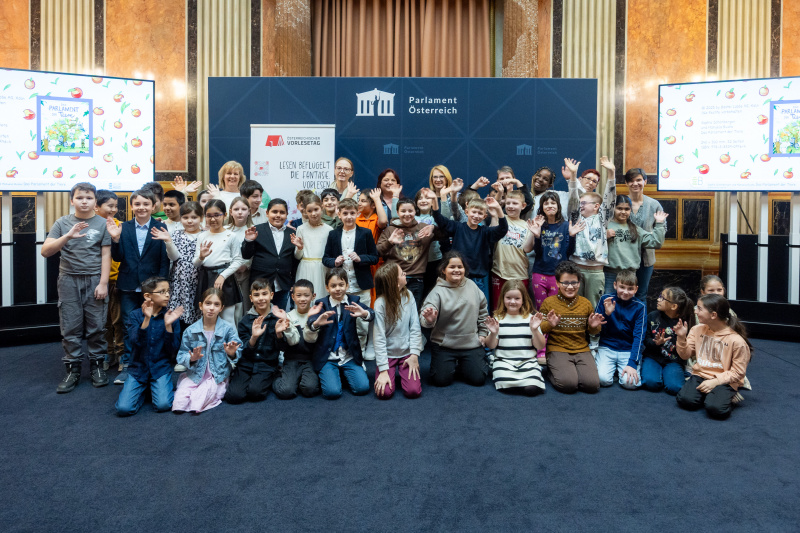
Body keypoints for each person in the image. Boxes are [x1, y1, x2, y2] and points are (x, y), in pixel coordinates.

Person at [42, 182, 112, 393]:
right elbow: (46, 251)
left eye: (89, 198)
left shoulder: (102, 223)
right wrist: (67, 236)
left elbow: (106, 254)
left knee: (97, 326)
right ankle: (72, 370)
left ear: (95, 201)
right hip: (68, 279)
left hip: (94, 279)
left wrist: (103, 283)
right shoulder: (62, 223)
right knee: (70, 327)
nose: (84, 201)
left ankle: (98, 367)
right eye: (80, 197)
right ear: (72, 200)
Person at [106, 188, 170, 385]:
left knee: (153, 323)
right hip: (127, 286)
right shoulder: (123, 227)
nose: (141, 207)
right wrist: (115, 240)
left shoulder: (161, 227)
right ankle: (128, 365)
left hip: (152, 287)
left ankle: (153, 362)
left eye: (146, 204)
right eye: (137, 204)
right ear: (132, 206)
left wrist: (162, 286)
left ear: (153, 206)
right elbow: (118, 257)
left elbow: (164, 260)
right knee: (128, 325)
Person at [675, 294, 752, 419]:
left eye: (699, 309)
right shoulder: (696, 329)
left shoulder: (737, 341)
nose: (695, 311)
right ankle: (711, 394)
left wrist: (715, 382)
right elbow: (685, 355)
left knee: (716, 409)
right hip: (701, 374)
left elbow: (738, 373)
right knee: (685, 401)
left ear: (713, 315)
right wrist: (681, 337)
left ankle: (729, 395)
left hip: (725, 379)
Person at [419, 252, 489, 387]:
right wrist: (429, 320)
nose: (456, 270)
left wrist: (483, 334)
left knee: (478, 379)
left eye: (460, 267)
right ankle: (453, 364)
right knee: (440, 381)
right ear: (443, 270)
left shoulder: (472, 286)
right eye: (452, 267)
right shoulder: (437, 292)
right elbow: (424, 321)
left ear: (464, 269)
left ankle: (464, 365)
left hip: (470, 344)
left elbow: (483, 311)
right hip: (445, 346)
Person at [115, 277, 183, 416]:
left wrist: (168, 325)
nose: (167, 295)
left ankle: (150, 388)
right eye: (162, 291)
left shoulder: (170, 316)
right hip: (138, 369)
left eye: (168, 291)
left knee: (163, 405)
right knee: (124, 409)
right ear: (147, 296)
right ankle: (145, 388)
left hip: (160, 369)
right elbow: (135, 342)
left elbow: (173, 350)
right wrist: (146, 319)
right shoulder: (134, 315)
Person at [304, 268, 374, 399]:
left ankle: (343, 373)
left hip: (349, 356)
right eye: (333, 286)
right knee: (332, 393)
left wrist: (364, 313)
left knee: (362, 388)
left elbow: (371, 314)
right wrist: (316, 323)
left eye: (341, 285)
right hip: (328, 357)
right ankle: (333, 374)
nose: (338, 289)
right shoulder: (322, 303)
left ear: (347, 285)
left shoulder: (354, 300)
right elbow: (312, 321)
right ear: (327, 287)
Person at [151, 201, 205, 370]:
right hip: (179, 283)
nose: (190, 221)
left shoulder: (205, 235)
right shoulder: (175, 234)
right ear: (181, 218)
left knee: (196, 319)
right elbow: (174, 258)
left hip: (198, 282)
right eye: (186, 217)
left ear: (201, 218)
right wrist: (168, 241)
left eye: (194, 217)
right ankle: (178, 355)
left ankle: (195, 354)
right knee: (178, 319)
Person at [539, 261, 606, 394]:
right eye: (565, 283)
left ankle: (571, 372)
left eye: (574, 282)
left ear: (579, 283)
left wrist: (593, 327)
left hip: (581, 348)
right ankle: (554, 372)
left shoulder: (585, 303)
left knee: (592, 386)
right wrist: (550, 324)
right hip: (558, 349)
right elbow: (540, 329)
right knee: (568, 385)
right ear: (558, 283)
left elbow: (593, 330)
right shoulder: (548, 303)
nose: (570, 287)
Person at [322, 198, 379, 352]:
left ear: (357, 213)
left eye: (352, 213)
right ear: (339, 214)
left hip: (361, 286)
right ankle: (340, 352)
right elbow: (325, 258)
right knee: (341, 321)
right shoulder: (333, 234)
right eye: (345, 213)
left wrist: (361, 258)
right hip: (340, 287)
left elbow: (374, 257)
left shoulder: (365, 233)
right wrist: (334, 261)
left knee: (361, 324)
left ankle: (358, 356)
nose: (348, 216)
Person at [173, 288, 242, 413]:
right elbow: (181, 355)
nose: (211, 308)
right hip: (195, 374)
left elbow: (239, 349)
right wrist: (191, 359)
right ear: (201, 305)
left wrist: (232, 353)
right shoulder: (190, 331)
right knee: (179, 402)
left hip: (217, 375)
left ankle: (212, 391)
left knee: (197, 402)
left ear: (221, 308)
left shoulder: (228, 329)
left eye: (216, 305)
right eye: (208, 303)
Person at [430, 190, 508, 299]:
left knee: (478, 309)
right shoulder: (458, 227)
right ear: (467, 212)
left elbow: (503, 229)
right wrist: (434, 200)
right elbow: (440, 219)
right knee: (458, 308)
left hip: (478, 279)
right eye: (474, 212)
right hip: (459, 277)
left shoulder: (485, 232)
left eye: (480, 213)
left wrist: (498, 209)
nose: (476, 215)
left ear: (485, 216)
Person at [564, 156, 617, 308]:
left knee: (593, 307)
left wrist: (612, 173)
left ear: (596, 206)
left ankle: (594, 333)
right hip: (576, 269)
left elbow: (610, 199)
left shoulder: (603, 218)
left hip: (595, 272)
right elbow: (573, 197)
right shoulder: (575, 217)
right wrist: (573, 176)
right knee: (574, 306)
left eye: (584, 203)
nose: (580, 205)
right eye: (580, 203)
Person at [225, 279, 287, 404]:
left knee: (255, 394)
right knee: (234, 397)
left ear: (271, 295)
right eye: (256, 295)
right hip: (246, 363)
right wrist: (253, 337)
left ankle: (272, 376)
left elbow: (283, 348)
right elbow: (243, 350)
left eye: (264, 294)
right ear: (251, 298)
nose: (261, 298)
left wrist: (279, 333)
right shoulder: (245, 321)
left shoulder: (277, 319)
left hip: (267, 364)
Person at [484, 280, 546, 396]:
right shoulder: (498, 318)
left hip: (527, 361)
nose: (512, 302)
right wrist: (493, 333)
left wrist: (534, 330)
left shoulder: (531, 319)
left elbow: (540, 346)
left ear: (523, 300)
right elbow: (491, 345)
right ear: (503, 298)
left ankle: (525, 382)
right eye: (508, 298)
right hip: (504, 362)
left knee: (532, 389)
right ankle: (517, 383)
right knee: (504, 382)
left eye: (517, 298)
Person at [695, 275, 751, 402]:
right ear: (702, 292)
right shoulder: (696, 313)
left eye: (719, 290)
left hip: (722, 357)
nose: (716, 293)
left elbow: (736, 345)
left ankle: (726, 392)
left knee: (732, 374)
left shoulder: (729, 313)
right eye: (711, 291)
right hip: (701, 354)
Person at [372, 263, 424, 399]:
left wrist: (414, 355)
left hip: (406, 353)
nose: (405, 274)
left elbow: (415, 327)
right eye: (402, 274)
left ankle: (403, 373)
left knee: (413, 392)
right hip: (388, 354)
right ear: (395, 284)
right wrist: (383, 369)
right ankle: (388, 372)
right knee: (384, 393)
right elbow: (379, 338)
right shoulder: (380, 304)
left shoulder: (409, 296)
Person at [192, 199, 246, 325]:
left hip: (225, 279)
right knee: (208, 318)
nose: (212, 219)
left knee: (228, 318)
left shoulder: (231, 236)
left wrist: (223, 275)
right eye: (209, 216)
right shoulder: (202, 236)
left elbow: (238, 260)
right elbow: (195, 263)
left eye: (217, 215)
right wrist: (201, 256)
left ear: (225, 215)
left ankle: (232, 344)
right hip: (206, 277)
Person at [377, 198, 436, 308]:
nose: (407, 214)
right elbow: (378, 252)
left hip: (416, 280)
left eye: (410, 211)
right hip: (394, 279)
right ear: (398, 212)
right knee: (393, 312)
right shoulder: (390, 230)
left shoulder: (423, 227)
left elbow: (446, 233)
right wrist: (390, 242)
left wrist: (433, 228)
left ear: (415, 211)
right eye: (403, 211)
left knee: (414, 313)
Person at [603, 195, 667, 296]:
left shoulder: (636, 229)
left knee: (627, 306)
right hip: (610, 274)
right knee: (608, 303)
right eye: (619, 208)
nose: (623, 212)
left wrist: (659, 223)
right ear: (613, 208)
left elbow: (656, 242)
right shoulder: (605, 226)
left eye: (627, 209)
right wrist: (603, 236)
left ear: (630, 210)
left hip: (630, 274)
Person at [594, 270, 647, 389]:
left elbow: (639, 337)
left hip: (627, 350)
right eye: (622, 287)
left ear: (636, 289)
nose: (626, 292)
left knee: (631, 384)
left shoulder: (640, 307)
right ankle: (613, 369)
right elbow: (596, 329)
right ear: (615, 285)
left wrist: (632, 362)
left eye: (630, 288)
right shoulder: (605, 299)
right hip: (607, 347)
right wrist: (607, 314)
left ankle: (620, 369)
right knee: (602, 380)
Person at [241, 198, 297, 311]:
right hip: (260, 284)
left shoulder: (292, 233)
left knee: (278, 316)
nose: (278, 215)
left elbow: (294, 261)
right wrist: (248, 241)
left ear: (287, 215)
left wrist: (292, 282)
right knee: (260, 316)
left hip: (283, 283)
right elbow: (246, 255)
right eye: (274, 212)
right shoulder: (257, 230)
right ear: (267, 213)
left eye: (282, 212)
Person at [641, 286, 695, 395]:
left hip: (673, 360)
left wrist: (681, 336)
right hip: (653, 357)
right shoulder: (652, 316)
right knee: (651, 383)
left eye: (662, 298)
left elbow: (685, 349)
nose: (658, 299)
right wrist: (656, 343)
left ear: (674, 306)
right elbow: (646, 340)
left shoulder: (683, 323)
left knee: (675, 388)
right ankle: (659, 373)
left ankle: (676, 374)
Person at [272, 279, 321, 399]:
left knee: (310, 389)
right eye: (298, 295)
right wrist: (279, 334)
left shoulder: (317, 317)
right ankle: (277, 377)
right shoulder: (288, 316)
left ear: (313, 296)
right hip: (291, 360)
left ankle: (297, 380)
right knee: (286, 391)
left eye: (306, 295)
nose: (302, 299)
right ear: (293, 297)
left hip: (310, 360)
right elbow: (283, 347)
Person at [624, 168, 665, 300]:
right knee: (623, 294)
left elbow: (662, 228)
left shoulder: (654, 205)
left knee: (641, 294)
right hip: (623, 257)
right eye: (631, 181)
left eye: (638, 180)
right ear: (626, 183)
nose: (635, 183)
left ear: (645, 181)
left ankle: (640, 321)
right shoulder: (620, 203)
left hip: (645, 258)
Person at [95, 190, 124, 371]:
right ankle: (109, 352)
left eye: (115, 206)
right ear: (96, 207)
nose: (113, 209)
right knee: (103, 322)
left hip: (117, 282)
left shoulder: (121, 226)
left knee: (118, 320)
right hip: (97, 282)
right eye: (109, 206)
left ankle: (121, 355)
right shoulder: (93, 227)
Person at [490, 189, 532, 312]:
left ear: (523, 206)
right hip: (499, 272)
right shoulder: (500, 219)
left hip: (519, 274)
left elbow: (527, 249)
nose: (510, 206)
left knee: (520, 310)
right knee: (497, 309)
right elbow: (491, 236)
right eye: (508, 203)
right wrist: (494, 216)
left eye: (515, 203)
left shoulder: (527, 225)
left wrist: (534, 233)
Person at [292, 194, 333, 299]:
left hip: (323, 268)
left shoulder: (329, 230)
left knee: (321, 298)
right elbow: (297, 256)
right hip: (305, 268)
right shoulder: (301, 229)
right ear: (305, 211)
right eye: (309, 211)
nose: (313, 213)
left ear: (322, 207)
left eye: (316, 209)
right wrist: (300, 248)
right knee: (305, 298)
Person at [225, 196, 254, 322]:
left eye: (243, 209)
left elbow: (257, 253)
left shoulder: (254, 229)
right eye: (236, 209)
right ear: (231, 212)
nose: (240, 212)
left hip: (246, 275)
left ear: (249, 211)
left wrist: (246, 265)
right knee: (231, 309)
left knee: (246, 307)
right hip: (228, 275)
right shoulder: (225, 230)